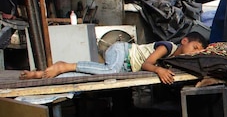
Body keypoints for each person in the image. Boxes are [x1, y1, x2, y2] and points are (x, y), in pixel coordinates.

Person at [19, 32, 207, 84]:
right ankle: (65, 66)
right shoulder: (167, 47)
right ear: (184, 41)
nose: (194, 52)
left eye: (199, 51)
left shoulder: (178, 59)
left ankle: (40, 74)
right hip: (121, 51)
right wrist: (158, 69)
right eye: (194, 47)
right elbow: (146, 64)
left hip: (124, 66)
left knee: (91, 77)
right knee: (110, 71)